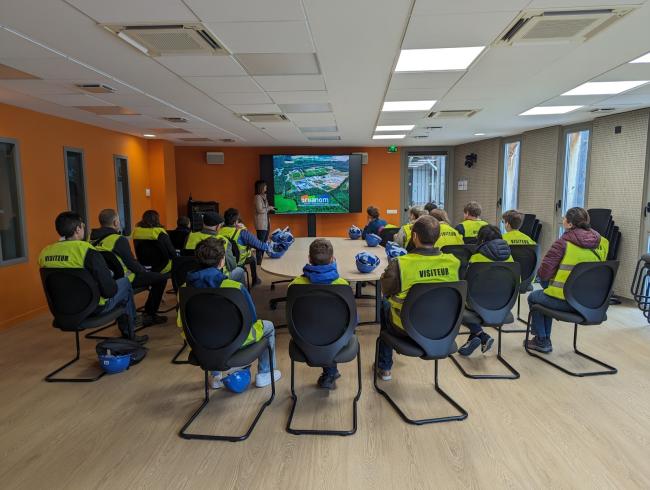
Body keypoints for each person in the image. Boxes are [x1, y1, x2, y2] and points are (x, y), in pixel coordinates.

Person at [180, 238, 281, 388]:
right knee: (268, 327)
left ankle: (215, 377)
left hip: (201, 342)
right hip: (235, 341)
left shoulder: (184, 289)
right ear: (222, 262)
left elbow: (181, 321)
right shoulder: (235, 287)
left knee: (210, 327)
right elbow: (251, 319)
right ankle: (265, 373)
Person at [39, 212, 147, 343]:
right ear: (78, 229)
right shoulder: (86, 251)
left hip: (62, 310)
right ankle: (130, 332)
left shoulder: (45, 253)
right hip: (94, 307)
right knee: (124, 283)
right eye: (83, 226)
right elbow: (109, 291)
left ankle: (130, 326)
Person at [376, 215, 461, 380]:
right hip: (444, 326)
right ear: (438, 236)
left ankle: (385, 367)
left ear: (414, 236)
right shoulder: (454, 262)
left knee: (385, 304)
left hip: (406, 327)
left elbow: (385, 290)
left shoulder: (401, 263)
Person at [526, 207, 608, 353]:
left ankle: (542, 340)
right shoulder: (603, 243)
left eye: (564, 217)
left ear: (569, 224)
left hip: (567, 302)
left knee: (534, 297)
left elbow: (544, 274)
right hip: (593, 302)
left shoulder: (562, 244)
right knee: (545, 293)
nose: (562, 219)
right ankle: (543, 339)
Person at [288, 238, 350, 390]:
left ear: (309, 259)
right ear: (332, 259)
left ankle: (330, 373)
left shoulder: (294, 285)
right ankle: (330, 373)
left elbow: (292, 317)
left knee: (319, 325)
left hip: (304, 337)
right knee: (332, 327)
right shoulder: (342, 286)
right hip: (337, 338)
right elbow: (353, 320)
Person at [90, 209, 168, 327]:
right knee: (160, 278)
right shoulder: (118, 239)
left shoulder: (91, 240)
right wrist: (145, 272)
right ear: (116, 222)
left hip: (105, 282)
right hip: (125, 279)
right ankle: (150, 314)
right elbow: (131, 264)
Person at [458, 225, 513, 356]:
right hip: (504, 304)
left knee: (456, 301)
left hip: (479, 304)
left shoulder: (476, 258)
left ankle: (480, 335)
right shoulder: (511, 258)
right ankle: (477, 337)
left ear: (481, 240)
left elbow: (468, 285)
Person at [183, 212, 245, 285]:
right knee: (240, 270)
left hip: (194, 276)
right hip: (217, 278)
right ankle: (237, 293)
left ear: (203, 223)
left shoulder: (190, 236)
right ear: (218, 226)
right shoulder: (223, 241)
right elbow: (232, 266)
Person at [218, 208, 270, 286]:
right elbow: (261, 246)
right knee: (252, 258)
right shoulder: (242, 233)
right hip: (238, 262)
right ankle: (255, 280)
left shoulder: (219, 231)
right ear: (236, 222)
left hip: (222, 264)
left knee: (252, 258)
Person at [254, 180, 275, 265]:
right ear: (261, 187)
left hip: (266, 222)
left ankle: (261, 259)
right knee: (260, 242)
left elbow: (265, 209)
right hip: (261, 223)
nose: (266, 187)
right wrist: (269, 208)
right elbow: (260, 210)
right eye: (265, 186)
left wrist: (269, 207)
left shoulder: (264, 197)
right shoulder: (257, 197)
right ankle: (259, 260)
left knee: (264, 241)